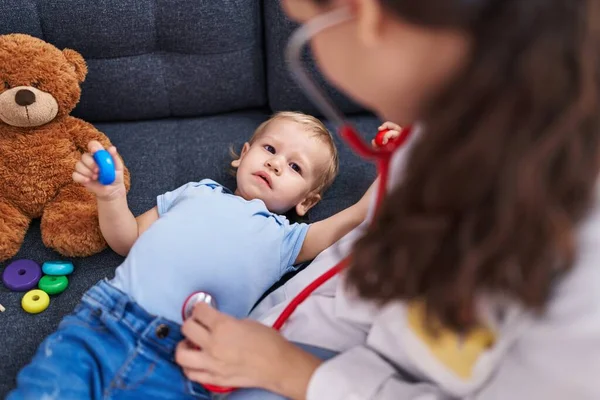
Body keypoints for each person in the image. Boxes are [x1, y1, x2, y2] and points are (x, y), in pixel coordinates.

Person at [174, 0, 600, 399]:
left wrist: (293, 370)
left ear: (366, 16)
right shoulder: (442, 132)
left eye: (306, 29)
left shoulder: (583, 265)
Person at [8, 111, 379, 399]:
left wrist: (396, 170)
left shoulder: (289, 239)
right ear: (244, 155)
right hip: (105, 322)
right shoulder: (195, 192)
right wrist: (110, 196)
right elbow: (126, 241)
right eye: (270, 149)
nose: (277, 163)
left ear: (306, 201)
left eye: (295, 167)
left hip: (185, 360)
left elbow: (352, 219)